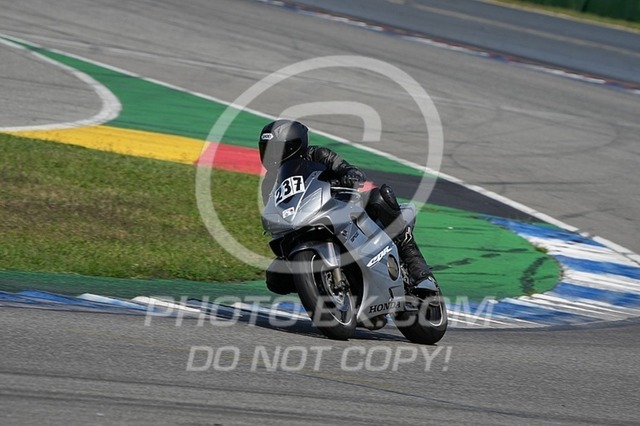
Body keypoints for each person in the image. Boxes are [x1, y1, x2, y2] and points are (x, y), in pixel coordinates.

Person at [259, 119, 434, 294]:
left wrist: (349, 176)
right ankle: (321, 285)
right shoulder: (269, 183)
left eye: (274, 150)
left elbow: (348, 169)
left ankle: (421, 274)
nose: (270, 156)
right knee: (275, 278)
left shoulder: (318, 155)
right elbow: (274, 209)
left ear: (293, 146)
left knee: (380, 198)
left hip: (339, 207)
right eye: (266, 150)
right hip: (302, 224)